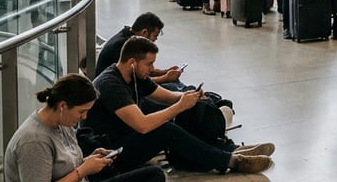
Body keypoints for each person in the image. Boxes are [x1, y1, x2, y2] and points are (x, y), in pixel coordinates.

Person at [4, 74, 179, 182]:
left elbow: (63, 166)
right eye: (81, 111)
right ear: (63, 105)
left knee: (154, 175)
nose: (84, 117)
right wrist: (82, 171)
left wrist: (88, 160)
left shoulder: (63, 122)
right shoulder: (34, 141)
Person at [86, 36, 274, 174]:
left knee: (176, 116)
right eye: (149, 64)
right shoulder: (110, 84)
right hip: (110, 151)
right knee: (166, 128)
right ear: (133, 62)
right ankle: (231, 160)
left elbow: (166, 96)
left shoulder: (135, 74)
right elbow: (142, 125)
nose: (152, 69)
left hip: (126, 135)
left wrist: (189, 97)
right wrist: (179, 106)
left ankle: (230, 150)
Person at [95, 13, 183, 87]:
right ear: (144, 32)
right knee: (174, 87)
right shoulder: (124, 46)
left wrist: (165, 72)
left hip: (127, 86)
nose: (155, 40)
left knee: (175, 85)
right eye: (155, 36)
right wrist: (165, 78)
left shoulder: (127, 35)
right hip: (116, 90)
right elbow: (137, 82)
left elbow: (142, 70)